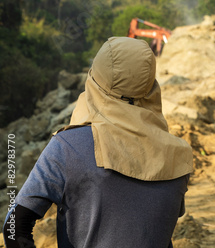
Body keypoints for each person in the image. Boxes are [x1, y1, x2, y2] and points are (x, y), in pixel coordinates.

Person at [3, 37, 193, 248]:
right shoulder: (179, 156)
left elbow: (14, 226)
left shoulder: (68, 146)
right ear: (150, 85)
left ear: (94, 82)